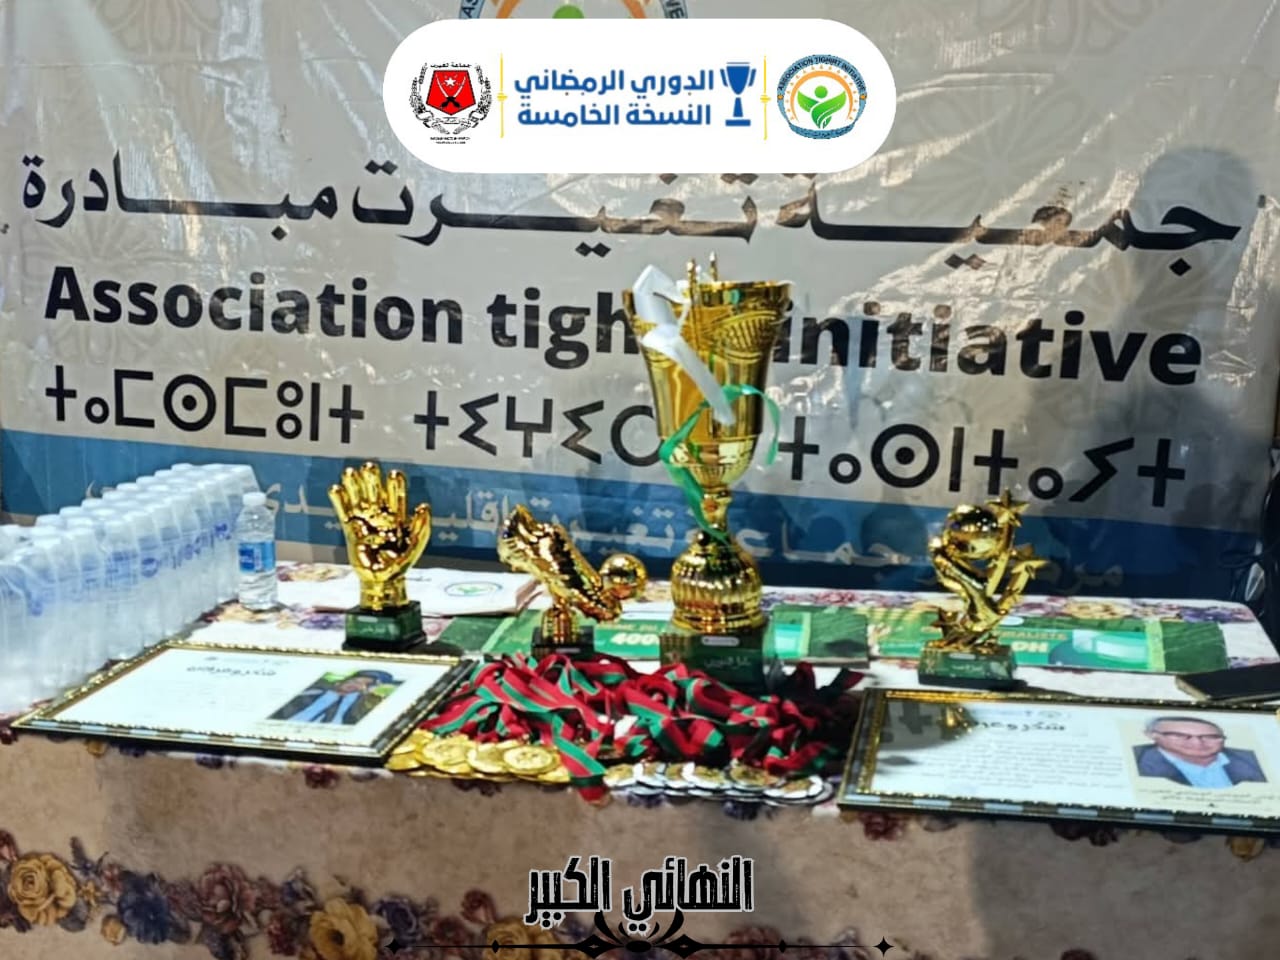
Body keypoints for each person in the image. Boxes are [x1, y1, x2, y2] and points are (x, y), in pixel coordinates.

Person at [1133, 716, 1266, 788]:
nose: (1197, 743)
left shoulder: (1254, 759)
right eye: (1180, 735)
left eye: (1210, 737)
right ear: (1152, 735)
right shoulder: (1134, 761)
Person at [270, 670, 397, 726]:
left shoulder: (357, 703)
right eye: (355, 681)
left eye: (364, 685)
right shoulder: (313, 689)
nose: (356, 685)